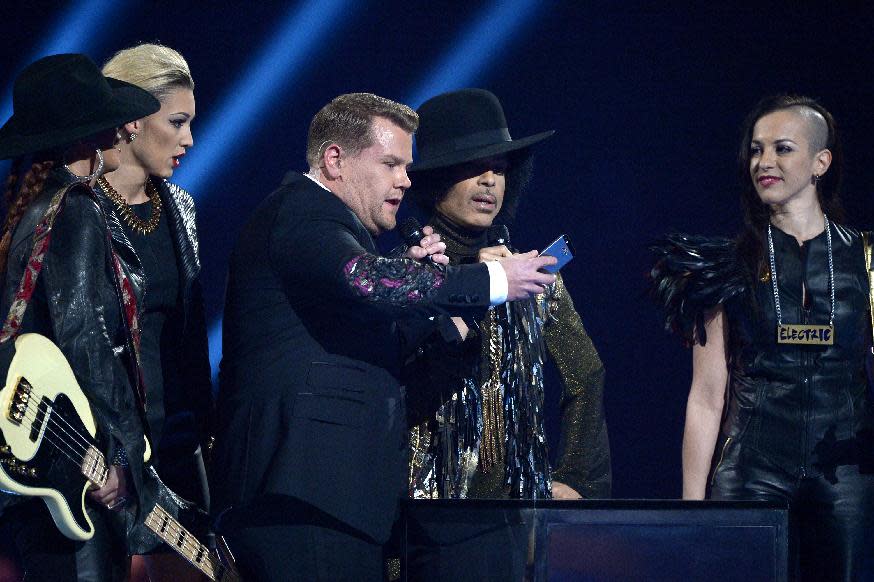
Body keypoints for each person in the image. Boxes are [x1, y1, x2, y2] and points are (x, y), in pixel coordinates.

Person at [212, 92, 558, 581]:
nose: (405, 180)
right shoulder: (304, 211)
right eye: (392, 163)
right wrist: (496, 282)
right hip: (304, 499)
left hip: (337, 503)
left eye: (407, 166)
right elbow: (364, 279)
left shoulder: (334, 229)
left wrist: (422, 297)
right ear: (335, 160)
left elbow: (365, 322)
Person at [651, 94, 874, 580]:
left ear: (821, 162)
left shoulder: (866, 261)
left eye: (782, 148)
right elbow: (707, 397)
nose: (764, 162)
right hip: (752, 471)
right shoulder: (725, 266)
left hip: (849, 476)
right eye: (756, 150)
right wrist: (692, 508)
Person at [403, 89, 611, 501]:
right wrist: (480, 289)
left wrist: (575, 479)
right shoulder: (409, 272)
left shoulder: (532, 278)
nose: (489, 181)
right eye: (474, 168)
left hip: (515, 512)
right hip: (422, 513)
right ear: (435, 179)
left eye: (500, 169)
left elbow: (586, 374)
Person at [0, 54, 160, 580]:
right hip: (71, 461)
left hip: (39, 455)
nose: (125, 128)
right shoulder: (76, 210)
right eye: (111, 118)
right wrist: (120, 449)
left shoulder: (31, 209)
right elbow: (83, 334)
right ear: (85, 136)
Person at [100, 43, 212, 580]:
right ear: (131, 121)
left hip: (175, 448)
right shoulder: (79, 209)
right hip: (104, 453)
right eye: (177, 121)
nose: (189, 139)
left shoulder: (181, 209)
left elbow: (188, 334)